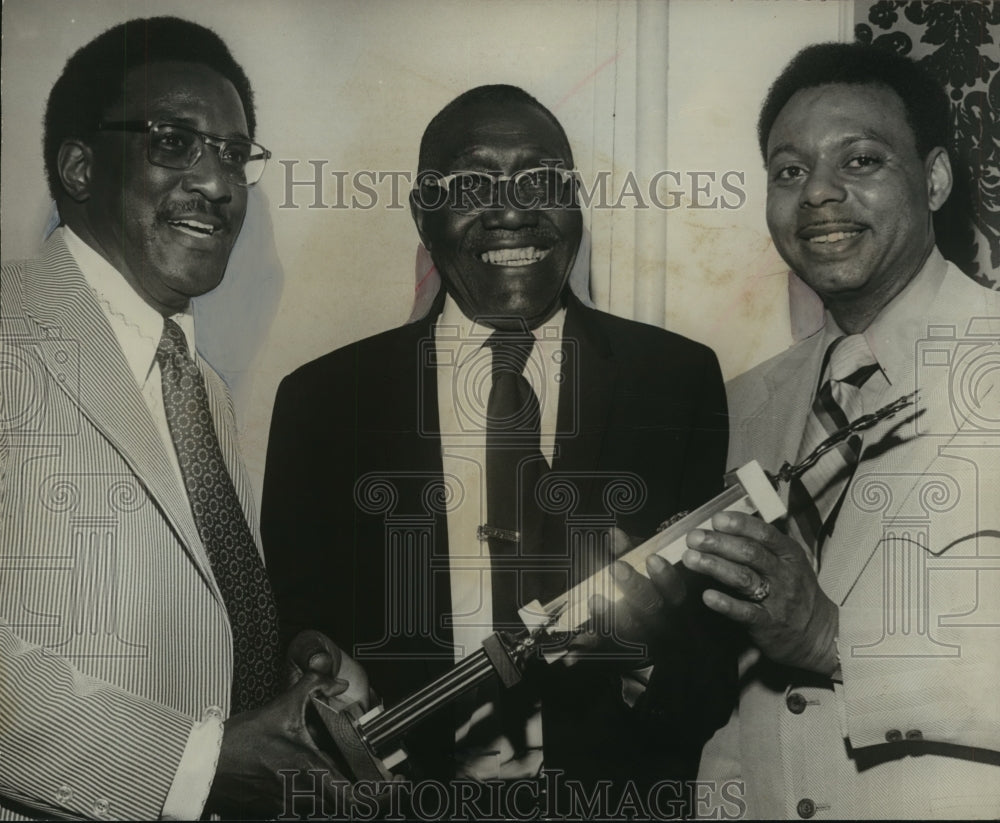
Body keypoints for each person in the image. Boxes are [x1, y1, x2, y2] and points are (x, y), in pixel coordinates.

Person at [262, 85, 734, 803]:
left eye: (542, 181)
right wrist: (308, 662)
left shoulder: (676, 381)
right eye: (473, 183)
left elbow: (711, 667)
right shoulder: (323, 401)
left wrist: (655, 641)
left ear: (576, 205)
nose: (513, 208)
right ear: (424, 212)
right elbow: (291, 626)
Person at [0, 17, 366, 820]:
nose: (219, 183)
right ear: (80, 165)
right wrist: (190, 764)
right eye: (175, 141)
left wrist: (280, 665)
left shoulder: (201, 387)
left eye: (234, 154)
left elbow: (194, 621)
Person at [684, 43, 1000, 818]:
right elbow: (744, 703)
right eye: (789, 171)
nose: (818, 192)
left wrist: (833, 637)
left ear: (933, 179)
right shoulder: (746, 401)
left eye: (860, 160)